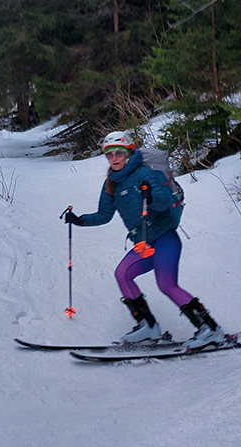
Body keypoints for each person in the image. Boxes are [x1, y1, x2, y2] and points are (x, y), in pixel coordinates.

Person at [63, 131, 227, 349]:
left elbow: (165, 202)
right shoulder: (111, 183)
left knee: (166, 284)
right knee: (122, 274)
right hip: (144, 245)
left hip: (165, 238)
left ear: (129, 153)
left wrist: (150, 197)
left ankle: (211, 330)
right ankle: (148, 326)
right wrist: (81, 220)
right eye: (109, 154)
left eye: (119, 153)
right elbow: (104, 215)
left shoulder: (144, 174)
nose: (114, 158)